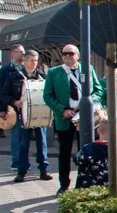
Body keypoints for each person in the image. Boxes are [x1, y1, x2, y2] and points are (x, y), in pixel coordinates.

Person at [43, 44, 104, 196]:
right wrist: (62, 110)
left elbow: (98, 90)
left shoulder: (88, 69)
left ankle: (86, 182)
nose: (67, 56)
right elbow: (47, 96)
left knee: (87, 150)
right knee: (64, 152)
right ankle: (64, 185)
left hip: (86, 116)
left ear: (78, 55)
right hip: (65, 117)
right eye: (64, 54)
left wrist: (87, 103)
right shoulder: (54, 72)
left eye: (71, 53)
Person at [1, 50, 51, 183]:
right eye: (31, 60)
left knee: (42, 143)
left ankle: (44, 170)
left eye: (36, 60)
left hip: (40, 114)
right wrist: (14, 102)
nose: (34, 63)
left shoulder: (43, 76)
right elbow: (4, 95)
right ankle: (22, 171)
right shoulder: (14, 76)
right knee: (23, 144)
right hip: (23, 115)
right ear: (25, 61)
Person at [73, 121, 117, 189]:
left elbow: (77, 160)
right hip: (114, 182)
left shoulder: (88, 148)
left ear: (98, 131)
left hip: (92, 184)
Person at [0, 44, 25, 150]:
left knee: (24, 136)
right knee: (15, 134)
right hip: (12, 107)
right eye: (19, 52)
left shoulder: (26, 67)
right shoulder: (5, 70)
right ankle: (16, 158)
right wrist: (2, 109)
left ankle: (23, 158)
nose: (22, 54)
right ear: (12, 54)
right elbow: (1, 89)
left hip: (26, 106)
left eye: (23, 52)